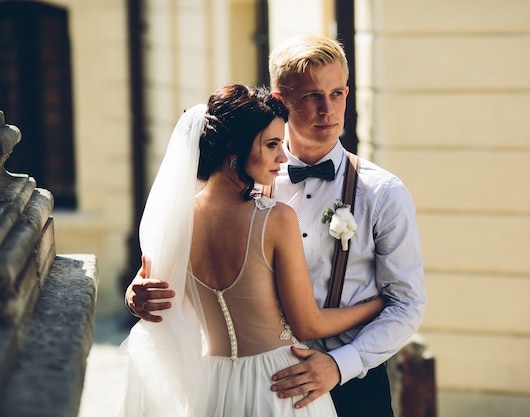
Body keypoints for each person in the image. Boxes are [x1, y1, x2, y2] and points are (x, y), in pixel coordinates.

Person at [127, 34, 426, 417]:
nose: (327, 110)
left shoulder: (383, 193)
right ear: (281, 101)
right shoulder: (243, 179)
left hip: (355, 384)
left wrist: (339, 365)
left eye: (337, 94)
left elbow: (408, 304)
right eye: (312, 96)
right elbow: (182, 261)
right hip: (265, 385)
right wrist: (141, 291)